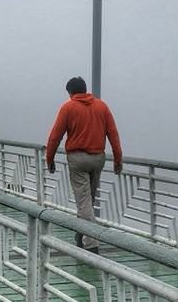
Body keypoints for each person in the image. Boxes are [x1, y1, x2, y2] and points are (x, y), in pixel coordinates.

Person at [45, 76, 123, 254]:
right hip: (97, 158)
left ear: (71, 92)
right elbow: (113, 134)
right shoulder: (102, 106)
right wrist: (118, 159)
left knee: (84, 201)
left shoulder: (68, 107)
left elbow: (55, 136)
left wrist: (50, 159)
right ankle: (81, 233)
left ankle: (91, 243)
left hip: (77, 159)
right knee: (88, 199)